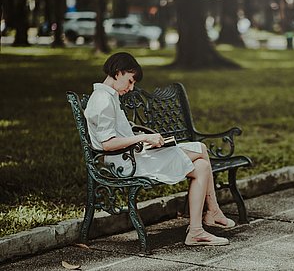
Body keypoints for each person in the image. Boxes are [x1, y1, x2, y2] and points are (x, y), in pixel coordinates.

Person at [84, 52, 235, 246]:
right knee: (200, 149)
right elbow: (107, 144)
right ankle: (211, 213)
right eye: (130, 81)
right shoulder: (103, 100)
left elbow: (117, 135)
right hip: (124, 164)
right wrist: (144, 137)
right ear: (118, 72)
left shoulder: (107, 96)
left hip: (130, 156)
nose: (131, 88)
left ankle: (198, 229)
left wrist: (145, 141)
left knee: (203, 167)